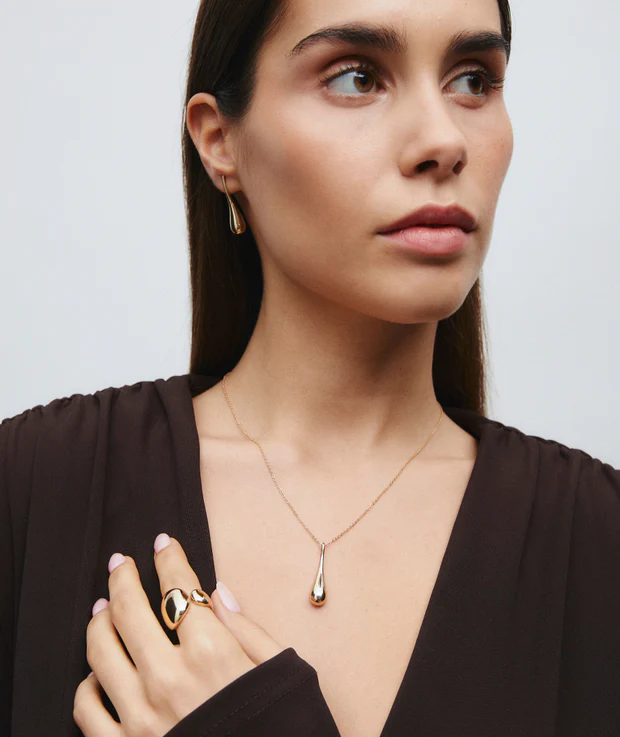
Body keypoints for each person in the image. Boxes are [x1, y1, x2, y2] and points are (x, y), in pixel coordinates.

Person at [3, 0, 620, 735]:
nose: (443, 140)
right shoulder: (30, 491)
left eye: (473, 80)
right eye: (357, 78)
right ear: (220, 141)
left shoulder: (601, 546)